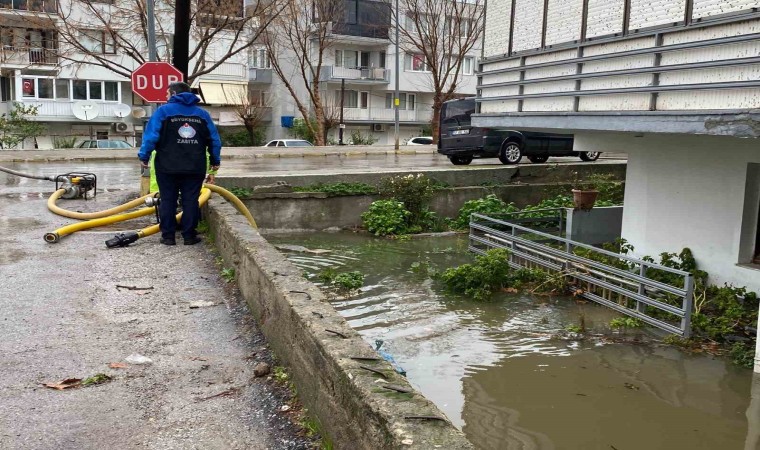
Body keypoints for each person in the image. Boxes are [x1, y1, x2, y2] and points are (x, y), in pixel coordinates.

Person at [138, 81, 221, 246]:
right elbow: (214, 139)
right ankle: (189, 236)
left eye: (167, 94)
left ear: (174, 94)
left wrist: (144, 156)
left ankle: (168, 236)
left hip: (167, 165)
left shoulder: (163, 112)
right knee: (190, 200)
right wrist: (214, 160)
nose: (166, 97)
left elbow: (151, 136)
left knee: (168, 200)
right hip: (194, 166)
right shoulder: (202, 114)